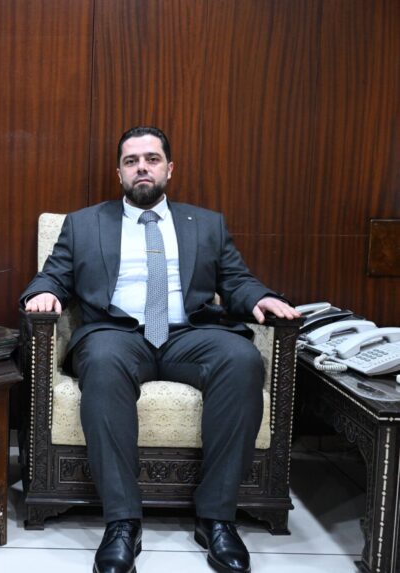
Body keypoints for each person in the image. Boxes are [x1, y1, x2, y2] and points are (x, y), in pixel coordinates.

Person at [21, 126, 300, 573]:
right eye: (131, 161)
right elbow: (54, 273)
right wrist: (44, 293)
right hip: (116, 333)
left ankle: (217, 518)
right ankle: (122, 522)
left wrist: (260, 298)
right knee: (103, 363)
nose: (142, 168)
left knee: (241, 360)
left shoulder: (206, 224)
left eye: (152, 159)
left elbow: (235, 280)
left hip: (188, 333)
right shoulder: (84, 224)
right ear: (119, 173)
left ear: (170, 169)